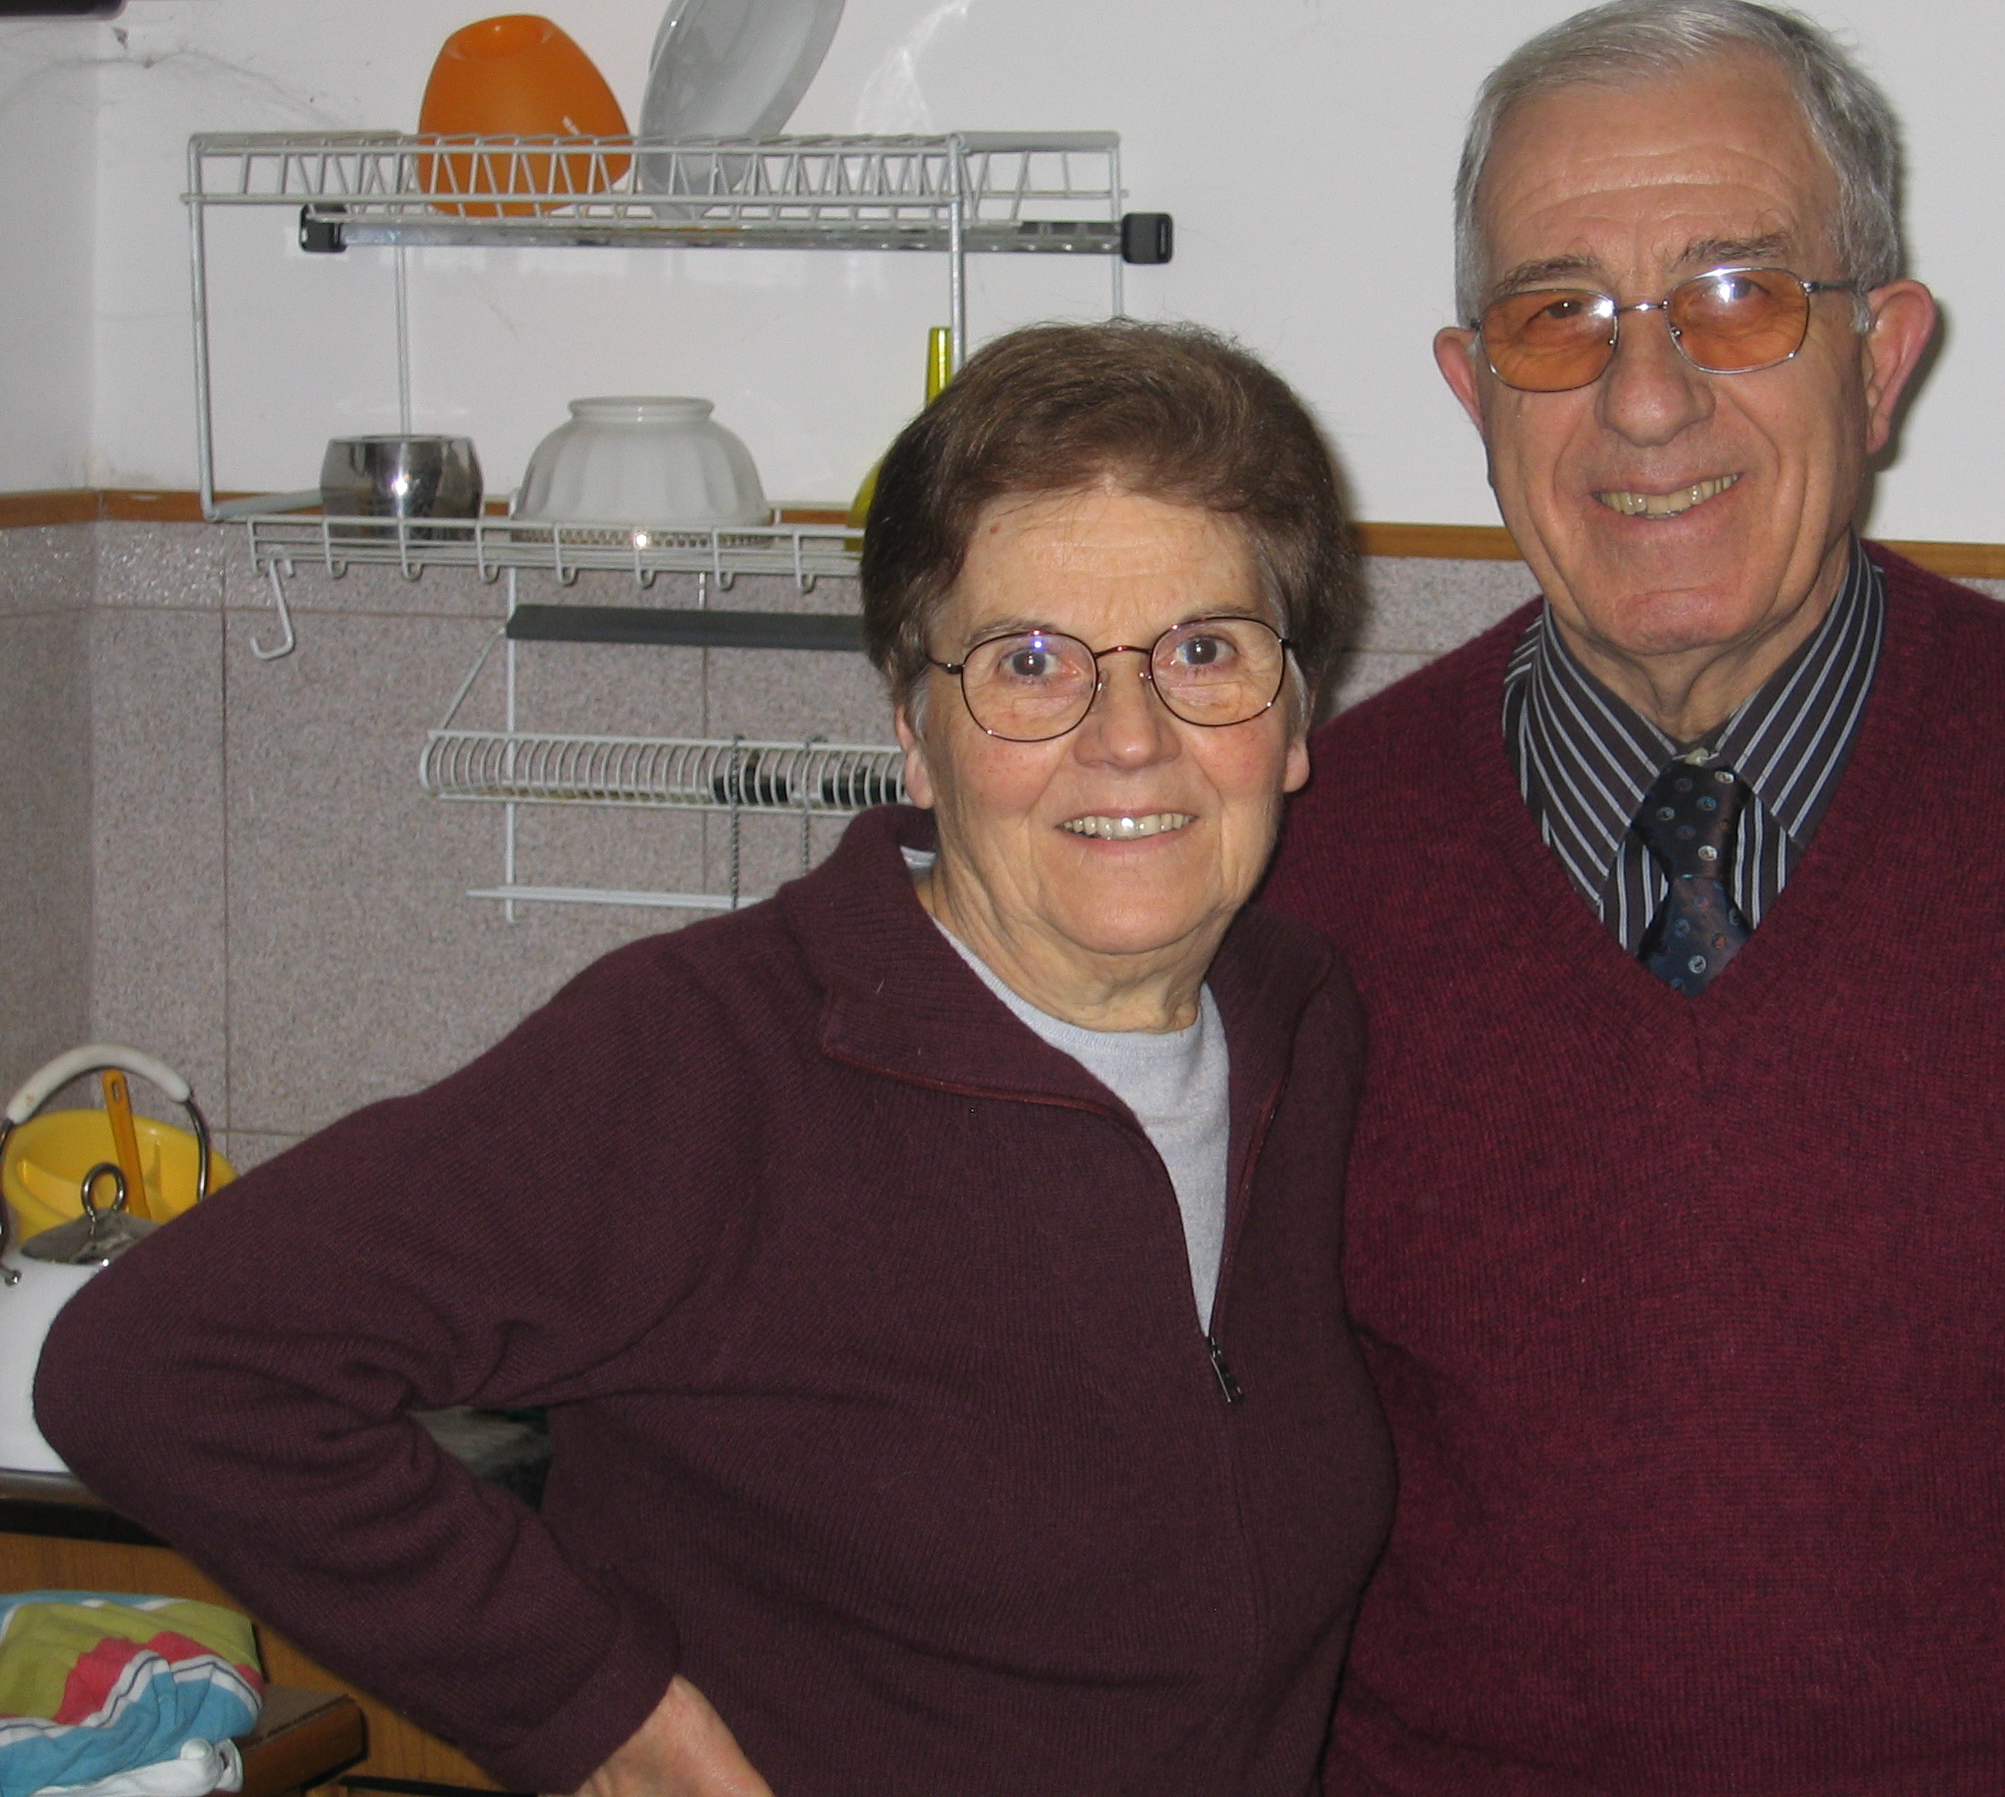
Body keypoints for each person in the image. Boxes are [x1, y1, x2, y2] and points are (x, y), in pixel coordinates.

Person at [1266, 0, 2005, 1793]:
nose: (1647, 401)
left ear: (1881, 359)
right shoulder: (1315, 859)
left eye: (1738, 296)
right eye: (1558, 316)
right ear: (1472, 389)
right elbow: (1193, 1469)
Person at [39, 321, 1393, 1797]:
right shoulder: (712, 1061)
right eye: (1028, 661)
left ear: (1294, 716)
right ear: (917, 734)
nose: (1128, 736)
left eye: (1204, 650)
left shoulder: (1300, 1030)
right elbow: (162, 1365)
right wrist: (595, 1709)